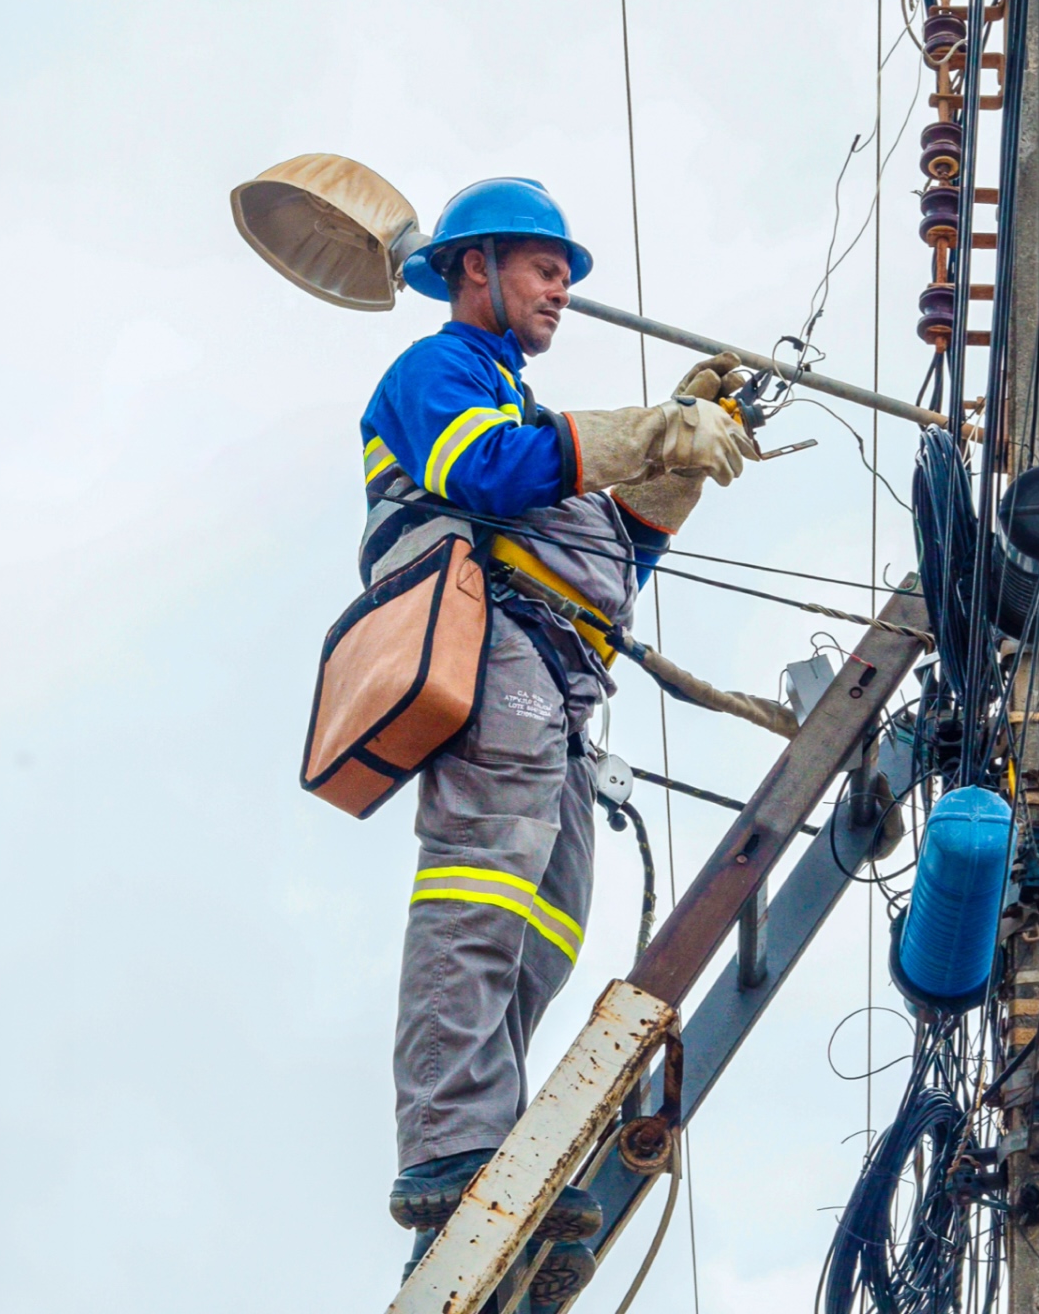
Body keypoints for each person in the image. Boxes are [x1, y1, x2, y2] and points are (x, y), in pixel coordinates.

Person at [359, 178, 755, 1308]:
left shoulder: (530, 420)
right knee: (482, 893)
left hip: (558, 691)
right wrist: (644, 431)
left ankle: (493, 1151)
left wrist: (671, 463)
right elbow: (492, 473)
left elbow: (616, 559)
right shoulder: (438, 377)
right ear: (472, 269)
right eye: (543, 267)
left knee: (544, 924)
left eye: (566, 271)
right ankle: (450, 1152)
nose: (562, 290)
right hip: (490, 660)